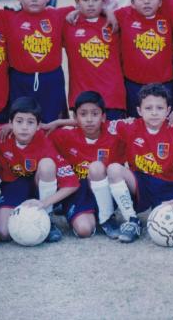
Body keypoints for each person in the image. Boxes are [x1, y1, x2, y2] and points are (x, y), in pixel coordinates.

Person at [105, 83, 173, 243]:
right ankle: (132, 221)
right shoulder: (130, 126)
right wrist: (58, 123)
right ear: (139, 110)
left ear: (168, 110)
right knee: (114, 169)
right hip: (142, 184)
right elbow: (95, 124)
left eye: (160, 108)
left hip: (169, 185)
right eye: (148, 108)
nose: (154, 113)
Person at [0, 97, 79, 243]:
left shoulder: (44, 142)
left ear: (38, 125)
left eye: (30, 122)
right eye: (19, 121)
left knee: (47, 165)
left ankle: (47, 217)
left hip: (37, 186)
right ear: (10, 123)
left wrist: (45, 203)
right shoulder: (0, 134)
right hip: (13, 186)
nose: (24, 127)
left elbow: (72, 184)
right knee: (4, 234)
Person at [48, 91, 124, 238]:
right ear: (75, 117)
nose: (89, 119)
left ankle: (107, 217)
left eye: (95, 114)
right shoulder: (63, 136)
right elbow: (32, 133)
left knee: (96, 167)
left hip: (104, 189)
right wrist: (59, 123)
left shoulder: (116, 134)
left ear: (103, 117)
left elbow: (144, 126)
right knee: (84, 230)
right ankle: (75, 211)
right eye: (83, 114)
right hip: (77, 192)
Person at [1, 0, 74, 124]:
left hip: (51, 80)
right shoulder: (8, 16)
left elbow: (86, 7)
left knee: (52, 125)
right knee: (22, 125)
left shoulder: (59, 15)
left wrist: (107, 12)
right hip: (19, 80)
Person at [62, 0, 126, 120]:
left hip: (112, 98)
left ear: (104, 0)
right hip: (81, 99)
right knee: (85, 142)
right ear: (77, 1)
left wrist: (108, 11)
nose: (90, 4)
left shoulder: (115, 21)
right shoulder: (68, 23)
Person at [115, 0, 173, 116]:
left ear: (161, 1)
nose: (146, 1)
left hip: (164, 83)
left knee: (163, 124)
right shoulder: (124, 16)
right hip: (133, 84)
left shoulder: (168, 16)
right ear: (132, 2)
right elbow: (100, 14)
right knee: (136, 124)